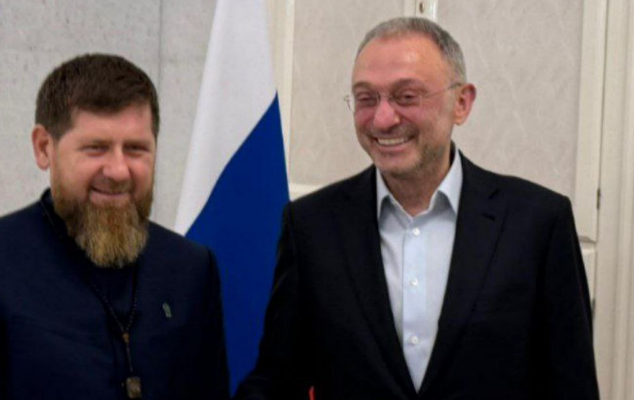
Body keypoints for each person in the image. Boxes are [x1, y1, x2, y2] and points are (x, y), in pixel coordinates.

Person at [234, 17, 598, 400]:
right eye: (366, 98)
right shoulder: (311, 226)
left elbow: (572, 385)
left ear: (461, 103)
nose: (383, 119)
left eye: (406, 96)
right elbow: (277, 380)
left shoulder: (538, 224)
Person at [0, 54, 229, 400]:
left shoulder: (191, 268)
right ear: (43, 148)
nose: (118, 170)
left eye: (136, 149)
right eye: (96, 148)